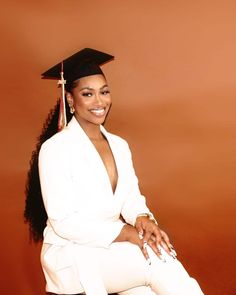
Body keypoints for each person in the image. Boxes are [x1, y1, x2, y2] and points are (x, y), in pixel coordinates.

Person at [24, 48, 204, 295]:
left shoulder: (119, 146)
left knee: (149, 279)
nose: (99, 102)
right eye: (88, 94)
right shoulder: (55, 149)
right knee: (159, 261)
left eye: (104, 92)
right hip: (73, 255)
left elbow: (131, 197)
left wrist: (143, 219)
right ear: (70, 100)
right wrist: (126, 232)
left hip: (111, 251)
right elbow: (63, 222)